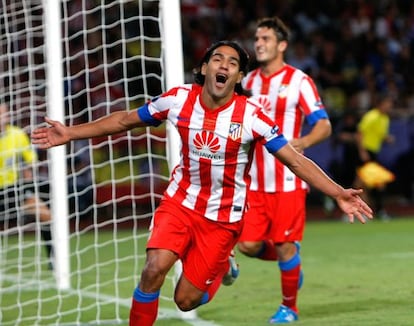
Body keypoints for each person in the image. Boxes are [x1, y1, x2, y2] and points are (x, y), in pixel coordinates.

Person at [31, 40, 372, 326]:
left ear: (238, 76)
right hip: (179, 202)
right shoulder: (178, 100)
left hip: (223, 218)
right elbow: (124, 120)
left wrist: (338, 192)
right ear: (205, 68)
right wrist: (70, 132)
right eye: (217, 58)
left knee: (185, 301)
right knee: (154, 269)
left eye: (233, 62)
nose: (223, 65)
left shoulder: (251, 116)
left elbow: (295, 160)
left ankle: (224, 265)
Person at [237, 17, 332, 323]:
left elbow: (324, 124)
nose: (259, 43)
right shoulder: (247, 83)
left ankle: (289, 307)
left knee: (284, 244)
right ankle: (291, 263)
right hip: (254, 182)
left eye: (266, 38)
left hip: (289, 181)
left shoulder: (299, 81)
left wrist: (302, 141)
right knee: (248, 245)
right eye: (257, 38)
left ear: (282, 45)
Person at [0, 103, 53, 269]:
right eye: (1, 113)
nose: (4, 116)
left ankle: (54, 259)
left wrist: (29, 172)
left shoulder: (17, 134)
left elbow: (30, 161)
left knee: (46, 216)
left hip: (16, 188)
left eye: (5, 113)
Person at [356, 94, 395, 220]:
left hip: (374, 152)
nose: (390, 106)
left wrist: (387, 138)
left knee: (377, 182)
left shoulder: (385, 119)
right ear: (381, 104)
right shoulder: (371, 116)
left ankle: (378, 211)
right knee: (361, 184)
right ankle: (361, 211)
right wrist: (362, 152)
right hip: (366, 152)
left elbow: (380, 134)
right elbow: (360, 133)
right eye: (387, 103)